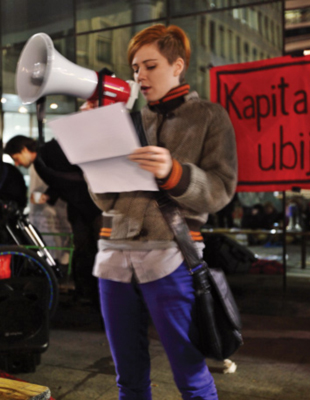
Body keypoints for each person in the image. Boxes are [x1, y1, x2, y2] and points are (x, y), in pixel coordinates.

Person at [82, 24, 237, 399]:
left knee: (191, 374)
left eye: (150, 65)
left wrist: (174, 172)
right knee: (128, 379)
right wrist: (93, 149)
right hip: (114, 258)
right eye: (135, 68)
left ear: (178, 66)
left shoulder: (209, 116)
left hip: (171, 257)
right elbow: (105, 202)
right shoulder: (129, 118)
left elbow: (221, 190)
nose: (140, 75)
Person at [4, 136, 102, 306]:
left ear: (24, 150)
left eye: (16, 158)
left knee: (92, 249)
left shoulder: (48, 152)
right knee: (85, 249)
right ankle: (88, 294)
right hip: (83, 207)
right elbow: (63, 178)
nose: (17, 164)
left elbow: (74, 173)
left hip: (93, 205)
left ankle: (94, 294)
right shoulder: (43, 159)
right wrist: (49, 195)